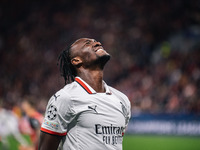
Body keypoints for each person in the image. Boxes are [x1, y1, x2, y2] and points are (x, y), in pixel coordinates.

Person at [39, 38, 131, 150]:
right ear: (76, 60)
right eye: (88, 43)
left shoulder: (122, 100)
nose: (97, 43)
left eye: (96, 41)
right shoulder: (65, 98)